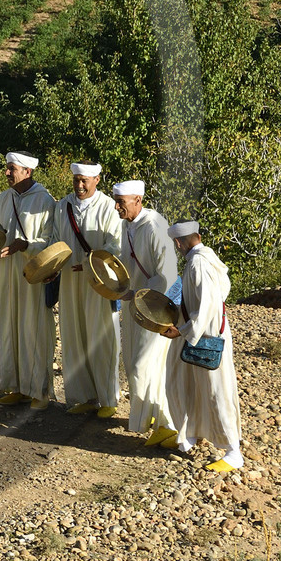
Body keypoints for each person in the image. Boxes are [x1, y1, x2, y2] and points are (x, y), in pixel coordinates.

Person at [163, 220, 244, 472]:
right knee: (188, 385)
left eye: (178, 243)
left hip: (206, 337)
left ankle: (233, 452)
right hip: (200, 333)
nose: (177, 247)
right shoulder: (206, 257)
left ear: (180, 242)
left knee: (215, 391)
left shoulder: (199, 262)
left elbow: (208, 304)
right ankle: (190, 435)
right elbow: (221, 291)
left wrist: (183, 330)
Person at [0, 152, 58, 409]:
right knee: (9, 326)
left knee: (32, 329)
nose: (6, 173)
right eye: (6, 168)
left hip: (32, 275)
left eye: (11, 168)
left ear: (28, 172)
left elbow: (51, 240)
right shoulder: (3, 198)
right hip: (6, 273)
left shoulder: (45, 200)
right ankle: (16, 386)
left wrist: (26, 245)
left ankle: (39, 391)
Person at [53, 161, 124, 418]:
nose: (80, 185)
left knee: (101, 337)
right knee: (73, 336)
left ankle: (108, 399)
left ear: (96, 180)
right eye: (76, 180)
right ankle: (82, 396)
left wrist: (90, 265)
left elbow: (115, 245)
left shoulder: (108, 207)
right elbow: (55, 239)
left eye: (85, 180)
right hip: (70, 281)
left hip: (98, 282)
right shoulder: (63, 206)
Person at [112, 180, 179, 448]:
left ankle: (169, 425)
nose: (117, 207)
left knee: (145, 365)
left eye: (122, 202)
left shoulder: (155, 227)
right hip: (134, 306)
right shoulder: (127, 225)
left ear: (138, 200)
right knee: (133, 363)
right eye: (116, 201)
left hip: (155, 309)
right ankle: (150, 420)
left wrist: (142, 296)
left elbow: (168, 274)